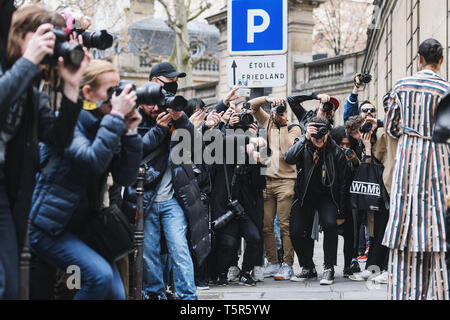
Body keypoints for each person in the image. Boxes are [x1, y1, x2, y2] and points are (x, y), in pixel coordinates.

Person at [29, 59, 143, 300]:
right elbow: (92, 160)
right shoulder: (69, 122)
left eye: (118, 88)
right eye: (110, 91)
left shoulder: (106, 124)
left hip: (83, 229)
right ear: (88, 93)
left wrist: (131, 132)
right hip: (48, 226)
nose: (117, 96)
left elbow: (126, 176)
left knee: (116, 294)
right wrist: (115, 117)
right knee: (99, 277)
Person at [0, 5, 90, 299]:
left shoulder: (31, 91)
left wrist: (72, 86)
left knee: (10, 288)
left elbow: (59, 138)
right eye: (45, 37)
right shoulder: (10, 72)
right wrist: (28, 61)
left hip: (8, 194)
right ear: (21, 35)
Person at [132, 62, 208, 300]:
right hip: (146, 196)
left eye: (175, 83)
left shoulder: (174, 111)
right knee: (149, 253)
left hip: (173, 198)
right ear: (154, 83)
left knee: (179, 249)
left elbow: (198, 148)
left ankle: (189, 298)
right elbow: (134, 150)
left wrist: (182, 120)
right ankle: (154, 295)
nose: (173, 87)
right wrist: (159, 129)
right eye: (169, 82)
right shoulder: (134, 113)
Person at [382, 38, 450, 300]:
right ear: (441, 60)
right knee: (441, 238)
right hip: (439, 167)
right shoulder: (446, 89)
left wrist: (412, 132)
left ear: (418, 58)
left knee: (404, 239)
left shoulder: (402, 85)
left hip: (408, 169)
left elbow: (391, 128)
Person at [285, 117, 349, 285]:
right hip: (304, 195)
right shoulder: (303, 142)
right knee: (296, 231)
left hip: (327, 196)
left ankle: (329, 268)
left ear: (328, 132)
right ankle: (308, 267)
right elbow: (288, 158)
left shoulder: (336, 151)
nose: (318, 138)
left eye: (322, 133)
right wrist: (306, 137)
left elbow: (343, 184)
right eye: (315, 134)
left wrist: (341, 211)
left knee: (330, 224)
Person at [248, 95, 301, 281]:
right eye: (276, 111)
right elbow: (252, 107)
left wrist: (283, 123)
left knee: (285, 225)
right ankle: (272, 262)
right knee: (266, 225)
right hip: (267, 181)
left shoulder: (294, 128)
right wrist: (268, 99)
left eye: (281, 110)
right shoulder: (268, 122)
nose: (277, 114)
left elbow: (288, 151)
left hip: (286, 181)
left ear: (286, 112)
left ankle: (287, 264)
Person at [345, 115, 390, 283]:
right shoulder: (366, 141)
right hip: (377, 191)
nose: (359, 135)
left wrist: (368, 148)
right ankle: (373, 268)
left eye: (359, 131)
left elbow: (375, 165)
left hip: (387, 188)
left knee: (384, 231)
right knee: (376, 232)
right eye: (355, 134)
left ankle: (385, 269)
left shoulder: (381, 135)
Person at [330, 126, 361, 278]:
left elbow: (361, 175)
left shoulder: (354, 154)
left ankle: (348, 264)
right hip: (332, 199)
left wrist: (354, 160)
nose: (345, 148)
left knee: (350, 234)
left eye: (348, 145)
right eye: (341, 144)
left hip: (350, 201)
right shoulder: (329, 154)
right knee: (331, 234)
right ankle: (329, 265)